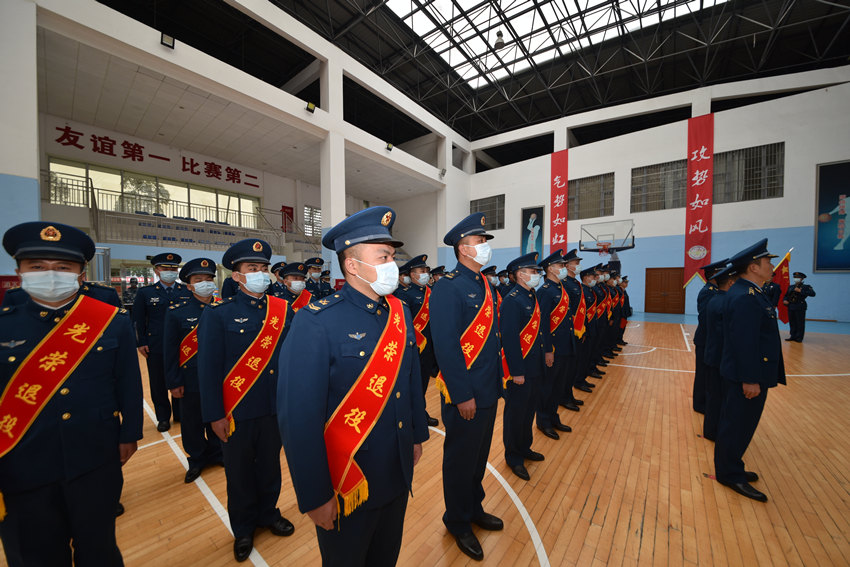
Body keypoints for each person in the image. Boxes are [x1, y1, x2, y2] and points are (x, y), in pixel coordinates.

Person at [278, 207, 428, 567]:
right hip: (348, 480)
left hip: (395, 471)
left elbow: (409, 380)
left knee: (385, 557)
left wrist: (416, 436)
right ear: (353, 266)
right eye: (384, 256)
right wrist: (315, 496)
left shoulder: (399, 312)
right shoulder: (316, 322)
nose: (394, 264)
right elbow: (298, 418)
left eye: (393, 256)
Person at [0, 221, 143, 566]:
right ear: (19, 271)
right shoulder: (4, 323)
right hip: (22, 463)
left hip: (94, 455)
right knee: (36, 554)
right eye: (38, 267)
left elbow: (127, 382)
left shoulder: (111, 320)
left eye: (62, 267)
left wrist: (130, 433)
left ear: (80, 274)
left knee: (99, 548)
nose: (51, 275)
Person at [197, 239, 295, 561]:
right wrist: (215, 415)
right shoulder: (218, 314)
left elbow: (292, 360)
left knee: (269, 467)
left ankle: (268, 513)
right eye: (252, 269)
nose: (261, 274)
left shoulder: (282, 311)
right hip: (236, 411)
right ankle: (242, 528)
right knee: (238, 473)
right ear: (237, 277)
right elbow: (209, 370)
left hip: (273, 409)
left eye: (264, 268)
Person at [430, 212, 504, 562]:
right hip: (466, 395)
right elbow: (446, 346)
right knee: (460, 461)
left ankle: (473, 508)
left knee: (477, 460)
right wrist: (462, 395)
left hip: (488, 390)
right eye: (480, 242)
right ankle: (457, 521)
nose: (486, 247)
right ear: (463, 248)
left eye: (485, 241)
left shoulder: (484, 284)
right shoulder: (448, 287)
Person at [716, 239, 785, 503]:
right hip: (745, 376)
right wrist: (750, 379)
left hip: (745, 372)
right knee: (737, 425)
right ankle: (730, 473)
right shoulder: (746, 297)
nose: (772, 266)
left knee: (739, 424)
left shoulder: (750, 293)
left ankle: (732, 466)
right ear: (753, 267)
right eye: (768, 262)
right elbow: (745, 342)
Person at [163, 258, 223, 484]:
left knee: (215, 415)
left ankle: (217, 453)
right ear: (189, 285)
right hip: (190, 378)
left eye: (208, 279)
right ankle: (196, 459)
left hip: (217, 377)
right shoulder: (176, 312)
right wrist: (173, 381)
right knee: (192, 421)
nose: (205, 283)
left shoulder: (222, 307)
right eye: (199, 280)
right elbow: (170, 350)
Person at [132, 252, 192, 432]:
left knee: (180, 378)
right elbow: (138, 320)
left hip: (182, 344)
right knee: (158, 382)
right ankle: (163, 417)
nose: (170, 271)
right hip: (156, 345)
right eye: (166, 268)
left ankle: (180, 413)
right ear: (157, 270)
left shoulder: (185, 291)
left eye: (173, 269)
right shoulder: (146, 293)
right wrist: (140, 342)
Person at [500, 253, 547, 481]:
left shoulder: (531, 296)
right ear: (521, 274)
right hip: (520, 371)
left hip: (534, 367)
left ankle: (525, 447)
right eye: (534, 271)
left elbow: (538, 333)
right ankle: (513, 456)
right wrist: (516, 372)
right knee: (516, 414)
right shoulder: (512, 300)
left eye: (537, 271)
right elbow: (509, 340)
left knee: (529, 411)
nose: (537, 275)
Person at [535, 250, 576, 442]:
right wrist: (547, 350)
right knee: (547, 387)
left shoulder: (560, 289)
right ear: (550, 268)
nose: (564, 268)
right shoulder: (544, 291)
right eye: (560, 266)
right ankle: (543, 421)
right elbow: (543, 324)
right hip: (553, 350)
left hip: (565, 347)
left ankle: (553, 418)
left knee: (558, 386)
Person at [394, 254, 439, 427]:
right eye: (422, 271)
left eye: (427, 270)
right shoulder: (405, 294)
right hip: (414, 348)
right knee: (412, 384)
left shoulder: (430, 292)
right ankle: (414, 415)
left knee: (423, 384)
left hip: (429, 349)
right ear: (412, 274)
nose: (426, 273)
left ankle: (419, 411)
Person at [692, 258, 728, 414]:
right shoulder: (708, 292)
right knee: (703, 374)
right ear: (715, 275)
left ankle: (706, 402)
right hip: (705, 340)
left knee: (708, 374)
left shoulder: (716, 292)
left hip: (710, 340)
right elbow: (707, 320)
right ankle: (700, 404)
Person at [784, 272, 816, 342]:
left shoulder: (806, 287)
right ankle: (793, 336)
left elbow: (813, 294)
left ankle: (799, 337)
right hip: (791, 306)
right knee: (792, 322)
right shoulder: (791, 287)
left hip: (799, 306)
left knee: (799, 322)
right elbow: (786, 295)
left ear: (802, 279)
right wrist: (785, 300)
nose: (796, 279)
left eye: (798, 277)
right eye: (795, 277)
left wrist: (801, 291)